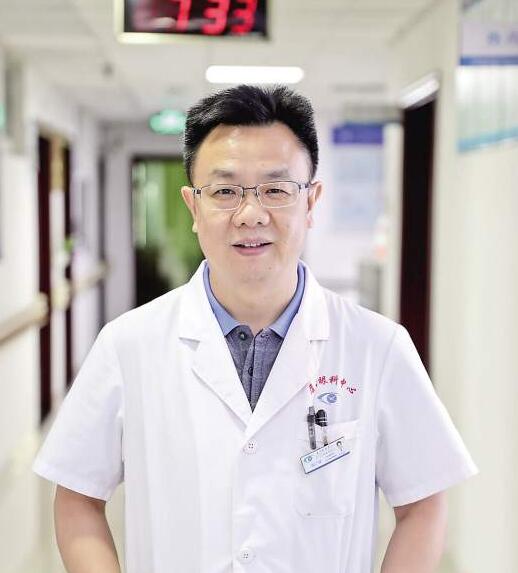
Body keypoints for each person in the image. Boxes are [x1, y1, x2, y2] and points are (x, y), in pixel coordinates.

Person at [33, 84, 478, 573]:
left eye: (276, 189)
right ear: (193, 207)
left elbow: (423, 503)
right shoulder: (128, 345)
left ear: (311, 202)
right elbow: (77, 497)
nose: (250, 215)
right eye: (225, 191)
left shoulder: (378, 347)